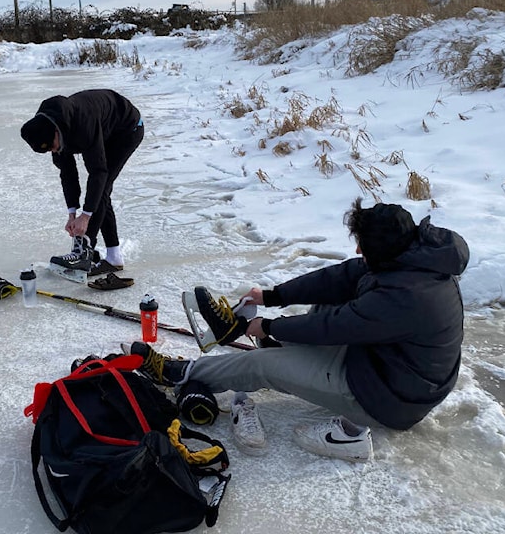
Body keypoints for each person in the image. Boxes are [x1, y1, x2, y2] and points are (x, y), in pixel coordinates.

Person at [128, 198, 470, 462]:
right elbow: (340, 278)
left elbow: (335, 327)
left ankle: (180, 373)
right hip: (389, 367)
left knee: (262, 367)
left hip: (387, 399)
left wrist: (266, 325)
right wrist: (273, 296)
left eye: (362, 246)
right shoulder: (410, 257)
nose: (357, 250)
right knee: (330, 299)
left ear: (381, 250)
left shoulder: (406, 296)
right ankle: (279, 349)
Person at [20, 89, 144, 276]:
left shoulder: (82, 123)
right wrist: (72, 213)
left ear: (56, 131)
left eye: (53, 146)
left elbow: (98, 172)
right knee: (100, 194)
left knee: (101, 188)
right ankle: (114, 258)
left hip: (126, 129)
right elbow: (67, 174)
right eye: (50, 151)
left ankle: (84, 251)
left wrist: (85, 218)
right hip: (103, 128)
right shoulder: (49, 130)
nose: (54, 151)